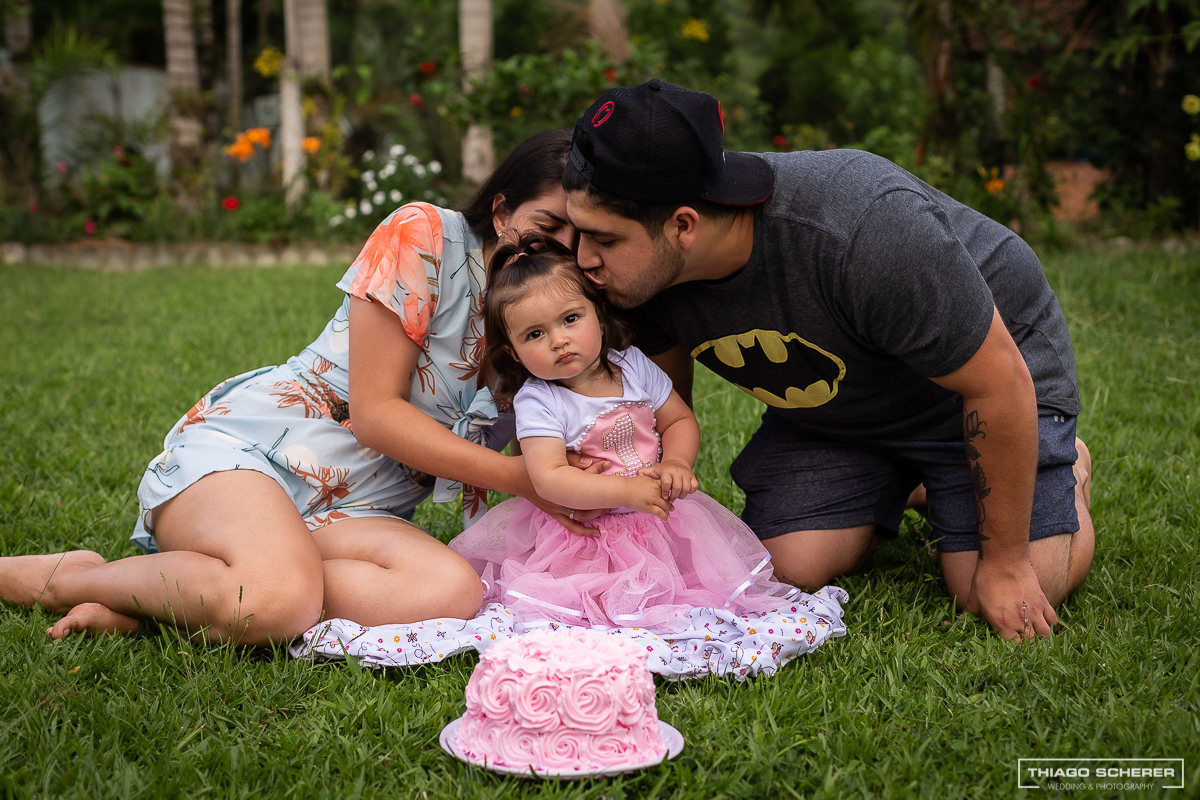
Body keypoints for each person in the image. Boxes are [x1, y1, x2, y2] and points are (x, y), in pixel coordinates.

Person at [0, 130, 588, 645]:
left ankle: (174, 599)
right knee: (278, 601)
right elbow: (376, 414)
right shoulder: (426, 235)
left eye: (579, 234)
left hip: (357, 513)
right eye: (547, 224)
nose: (563, 245)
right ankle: (71, 579)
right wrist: (518, 477)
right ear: (502, 210)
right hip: (256, 457)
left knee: (450, 591)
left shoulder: (562, 317)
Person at [561, 79, 1095, 642]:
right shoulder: (636, 277)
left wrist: (1007, 564)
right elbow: (660, 409)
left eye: (604, 240)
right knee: (786, 565)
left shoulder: (863, 229)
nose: (583, 258)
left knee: (991, 589)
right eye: (578, 232)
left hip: (976, 390)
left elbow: (998, 384)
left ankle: (1067, 466)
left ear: (683, 225)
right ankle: (915, 485)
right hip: (840, 412)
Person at [447, 232, 798, 629]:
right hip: (585, 532)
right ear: (513, 351)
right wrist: (625, 492)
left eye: (570, 319)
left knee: (689, 592)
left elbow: (678, 420)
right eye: (535, 334)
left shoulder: (632, 365)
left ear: (597, 314)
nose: (559, 340)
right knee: (591, 608)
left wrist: (677, 463)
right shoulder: (539, 400)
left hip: (659, 517)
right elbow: (548, 477)